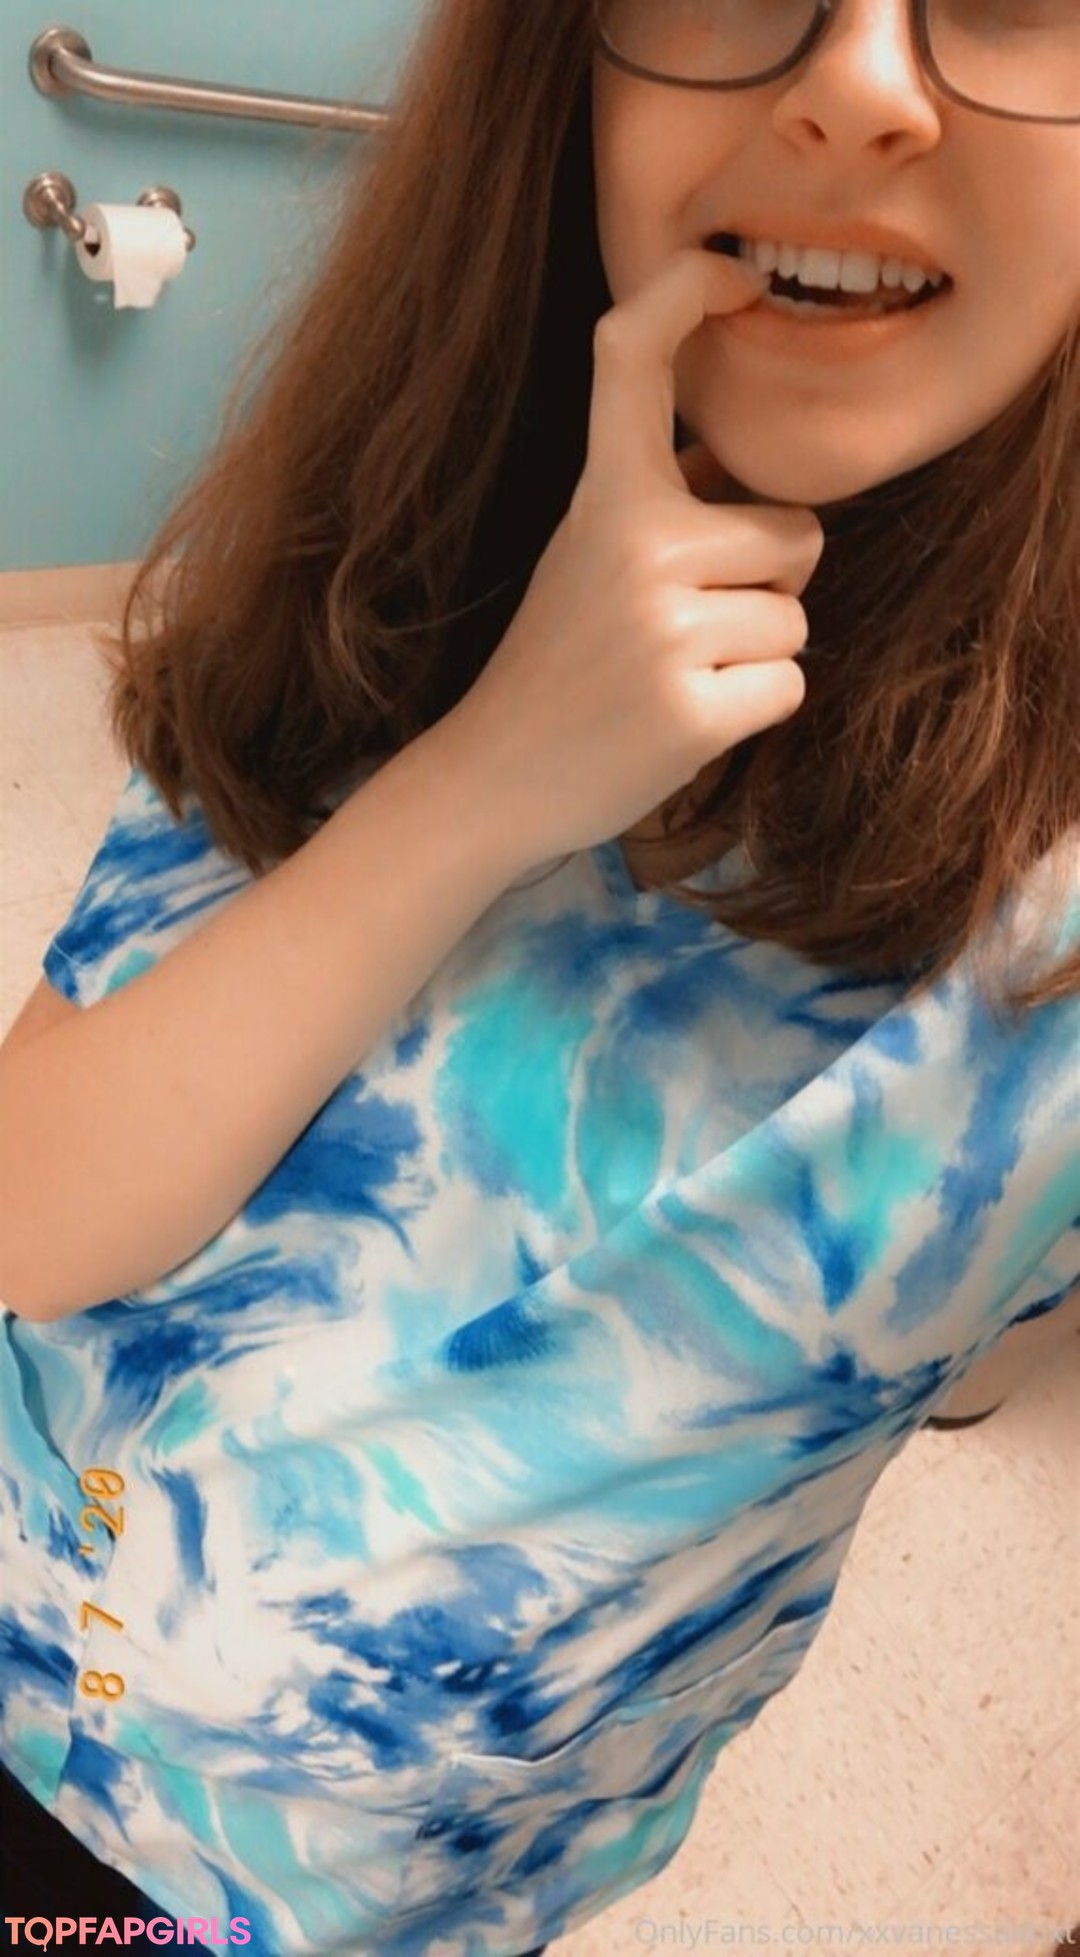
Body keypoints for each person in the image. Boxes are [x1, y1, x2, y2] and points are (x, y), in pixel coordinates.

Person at [1, 0, 1078, 1950]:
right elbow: (32, 1211)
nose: (857, 84)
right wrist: (493, 771)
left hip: (353, 1900)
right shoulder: (400, 533)